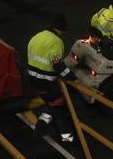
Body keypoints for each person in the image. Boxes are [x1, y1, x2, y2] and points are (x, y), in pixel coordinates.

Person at [27, 13, 77, 142]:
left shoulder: (37, 36)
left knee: (51, 106)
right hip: (47, 83)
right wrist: (72, 77)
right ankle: (68, 139)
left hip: (33, 81)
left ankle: (39, 128)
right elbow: (57, 65)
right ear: (62, 29)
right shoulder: (56, 42)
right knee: (59, 110)